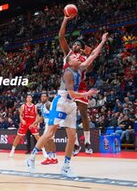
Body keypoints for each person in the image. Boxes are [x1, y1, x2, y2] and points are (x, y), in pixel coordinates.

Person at [26, 44, 102, 178]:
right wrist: (88, 93)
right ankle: (31, 159)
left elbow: (93, 55)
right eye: (73, 56)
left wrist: (102, 41)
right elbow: (72, 94)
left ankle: (66, 167)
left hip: (71, 105)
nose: (76, 57)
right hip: (61, 102)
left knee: (72, 136)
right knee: (50, 133)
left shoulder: (80, 68)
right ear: (69, 63)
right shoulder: (68, 73)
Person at [59, 15, 108, 155]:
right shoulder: (68, 54)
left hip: (80, 87)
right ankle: (75, 144)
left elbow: (92, 63)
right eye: (73, 44)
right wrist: (65, 19)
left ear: (81, 48)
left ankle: (87, 142)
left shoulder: (84, 59)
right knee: (70, 117)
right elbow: (61, 37)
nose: (74, 45)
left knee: (84, 114)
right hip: (67, 88)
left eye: (77, 45)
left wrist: (102, 41)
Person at [39, 92, 58, 165]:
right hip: (48, 124)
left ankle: (48, 158)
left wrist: (55, 123)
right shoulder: (42, 106)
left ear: (47, 98)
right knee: (51, 141)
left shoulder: (48, 104)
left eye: (44, 96)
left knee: (45, 140)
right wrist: (35, 123)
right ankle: (54, 158)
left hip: (50, 124)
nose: (43, 98)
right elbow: (42, 117)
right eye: (42, 96)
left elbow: (54, 112)